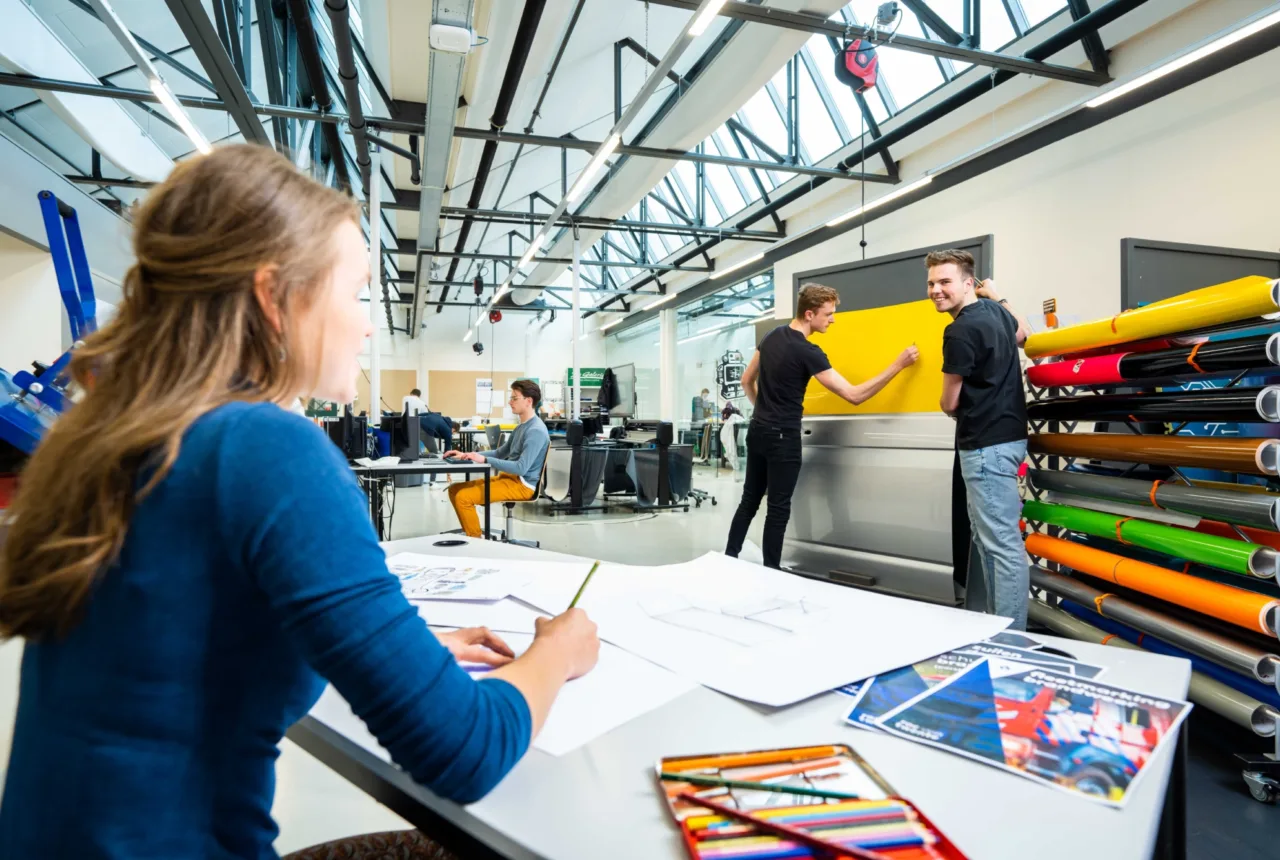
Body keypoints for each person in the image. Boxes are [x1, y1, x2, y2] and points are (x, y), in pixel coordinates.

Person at [0, 145, 600, 859]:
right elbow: (466, 749)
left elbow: (197, 645)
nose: (367, 325)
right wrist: (556, 653)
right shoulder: (266, 448)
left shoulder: (115, 434)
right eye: (355, 293)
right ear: (274, 296)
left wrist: (402, 651)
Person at [726, 283, 919, 570]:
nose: (833, 319)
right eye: (828, 314)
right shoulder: (808, 351)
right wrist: (898, 365)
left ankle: (728, 560)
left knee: (749, 500)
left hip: (758, 431)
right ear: (809, 314)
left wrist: (763, 412)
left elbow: (746, 381)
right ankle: (771, 574)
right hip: (783, 439)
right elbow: (854, 395)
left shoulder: (771, 336)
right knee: (778, 510)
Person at [927, 248, 1033, 630]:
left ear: (968, 283)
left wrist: (947, 406)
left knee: (1001, 544)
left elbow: (949, 401)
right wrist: (997, 294)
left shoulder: (958, 330)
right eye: (931, 283)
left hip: (985, 444)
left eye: (945, 281)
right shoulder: (995, 311)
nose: (936, 290)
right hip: (1009, 439)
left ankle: (1011, 637)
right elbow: (1024, 334)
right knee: (988, 539)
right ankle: (995, 624)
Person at [443, 380, 550, 538]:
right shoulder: (521, 427)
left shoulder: (536, 430)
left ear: (528, 401)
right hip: (509, 479)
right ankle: (471, 533)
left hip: (522, 485)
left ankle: (476, 542)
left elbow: (521, 468)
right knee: (454, 490)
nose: (510, 402)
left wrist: (485, 460)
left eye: (514, 398)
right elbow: (500, 453)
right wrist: (468, 455)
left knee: (463, 497)